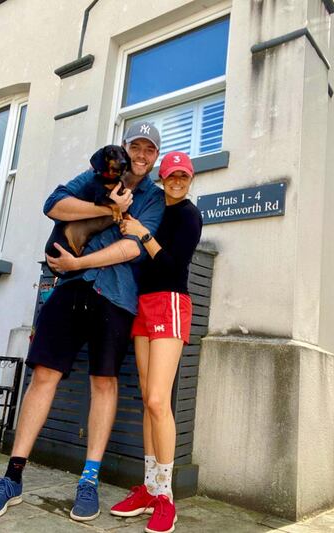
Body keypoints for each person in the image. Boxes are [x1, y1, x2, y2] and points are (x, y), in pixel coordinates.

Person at [0, 122, 165, 522]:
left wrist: (78, 261)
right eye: (136, 146)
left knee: (104, 382)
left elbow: (132, 248)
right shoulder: (95, 176)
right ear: (124, 148)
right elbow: (54, 205)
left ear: (155, 156)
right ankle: (12, 477)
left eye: (149, 149)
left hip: (116, 296)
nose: (141, 155)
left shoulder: (153, 197)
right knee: (43, 375)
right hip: (71, 287)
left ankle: (88, 480)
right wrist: (109, 209)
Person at [110, 152, 203, 533]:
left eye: (184, 175)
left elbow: (171, 265)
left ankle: (166, 496)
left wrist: (142, 235)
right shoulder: (154, 209)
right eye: (172, 175)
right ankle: (149, 488)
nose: (177, 181)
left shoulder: (189, 216)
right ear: (162, 178)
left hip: (171, 302)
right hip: (144, 304)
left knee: (159, 400)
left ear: (190, 179)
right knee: (148, 398)